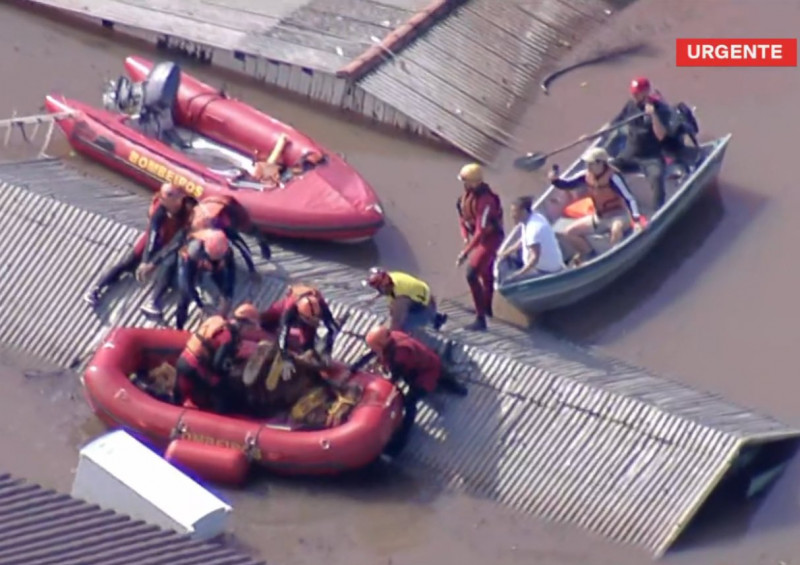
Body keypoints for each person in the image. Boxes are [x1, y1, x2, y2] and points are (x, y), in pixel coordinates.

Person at [350, 325, 468, 457]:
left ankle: (400, 443)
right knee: (441, 373)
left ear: (380, 343)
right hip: (428, 359)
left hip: (425, 372)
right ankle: (455, 386)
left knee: (409, 404)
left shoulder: (400, 354)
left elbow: (394, 378)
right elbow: (372, 352)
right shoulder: (391, 337)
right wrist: (354, 367)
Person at [83, 182, 193, 305]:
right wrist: (146, 260)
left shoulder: (189, 213)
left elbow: (176, 242)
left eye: (169, 197)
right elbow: (153, 232)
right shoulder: (160, 207)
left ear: (180, 198)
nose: (163, 201)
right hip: (159, 237)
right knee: (130, 260)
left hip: (175, 242)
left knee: (168, 264)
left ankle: (154, 301)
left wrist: (153, 263)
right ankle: (97, 288)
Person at [550, 147, 646, 264]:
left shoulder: (614, 178)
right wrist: (555, 180)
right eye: (587, 164)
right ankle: (590, 255)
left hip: (619, 215)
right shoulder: (585, 176)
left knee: (616, 228)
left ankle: (613, 257)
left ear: (601, 163)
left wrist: (636, 220)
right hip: (599, 217)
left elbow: (629, 198)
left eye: (591, 164)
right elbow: (567, 184)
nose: (588, 167)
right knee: (569, 233)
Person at [174, 301, 262, 413]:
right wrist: (232, 370)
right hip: (194, 368)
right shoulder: (228, 337)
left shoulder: (219, 322)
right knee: (223, 388)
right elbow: (217, 365)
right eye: (250, 328)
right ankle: (220, 415)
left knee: (178, 396)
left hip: (183, 360)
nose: (249, 331)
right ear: (243, 324)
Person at [142, 228, 236, 329]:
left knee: (223, 289)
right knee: (185, 296)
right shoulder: (194, 250)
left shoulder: (225, 251)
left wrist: (227, 296)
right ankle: (179, 326)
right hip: (188, 263)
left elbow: (231, 273)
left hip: (207, 262)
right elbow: (188, 283)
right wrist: (200, 305)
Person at [608, 77, 675, 209]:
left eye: (637, 93)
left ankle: (658, 209)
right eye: (633, 92)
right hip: (630, 153)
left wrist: (653, 115)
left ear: (646, 92)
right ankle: (622, 198)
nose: (634, 95)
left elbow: (661, 136)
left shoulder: (660, 109)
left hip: (650, 156)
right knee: (608, 169)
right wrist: (593, 136)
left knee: (656, 177)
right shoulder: (630, 105)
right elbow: (615, 122)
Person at [455, 163, 504, 331]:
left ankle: (480, 318)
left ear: (475, 182)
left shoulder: (486, 201)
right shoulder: (466, 197)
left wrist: (465, 252)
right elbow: (463, 219)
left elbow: (481, 230)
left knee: (472, 273)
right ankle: (487, 309)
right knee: (486, 273)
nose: (464, 185)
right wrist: (464, 239)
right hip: (478, 239)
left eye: (466, 181)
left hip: (490, 239)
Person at [259, 284, 339, 375]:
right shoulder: (289, 309)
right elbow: (283, 333)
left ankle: (308, 356)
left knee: (307, 344)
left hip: (305, 320)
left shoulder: (321, 304)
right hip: (283, 308)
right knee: (265, 320)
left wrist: (326, 350)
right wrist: (285, 357)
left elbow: (333, 328)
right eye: (310, 319)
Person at [497, 196, 565, 282]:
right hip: (543, 265)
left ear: (524, 212)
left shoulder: (533, 230)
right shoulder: (531, 218)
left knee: (508, 280)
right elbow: (524, 240)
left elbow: (534, 258)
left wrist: (518, 274)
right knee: (509, 259)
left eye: (514, 212)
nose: (512, 215)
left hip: (545, 271)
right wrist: (506, 252)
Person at [190, 194, 272, 263]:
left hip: (226, 211)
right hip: (212, 209)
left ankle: (263, 245)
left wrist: (252, 270)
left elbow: (242, 246)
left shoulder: (234, 218)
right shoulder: (199, 225)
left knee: (247, 231)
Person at [363, 268, 448, 332]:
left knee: (404, 326)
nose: (377, 290)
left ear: (383, 285)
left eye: (377, 288)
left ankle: (430, 319)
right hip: (426, 297)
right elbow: (386, 290)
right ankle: (436, 317)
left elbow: (396, 323)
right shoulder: (391, 277)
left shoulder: (400, 299)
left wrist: (386, 333)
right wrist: (374, 297)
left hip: (421, 308)